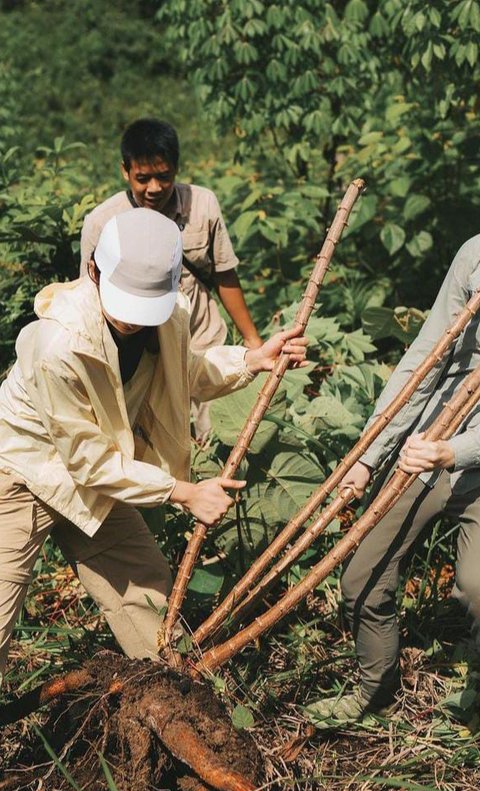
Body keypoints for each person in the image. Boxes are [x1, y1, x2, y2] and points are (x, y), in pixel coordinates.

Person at [0, 207, 308, 682]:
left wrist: (251, 360)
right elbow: (86, 460)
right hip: (23, 471)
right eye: (124, 306)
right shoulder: (57, 345)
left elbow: (185, 374)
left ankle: (173, 698)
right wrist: (184, 492)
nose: (132, 321)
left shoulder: (167, 317)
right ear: (93, 270)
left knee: (149, 598)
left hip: (102, 472)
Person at [307, 234, 480, 726]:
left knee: (476, 585)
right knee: (361, 577)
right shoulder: (474, 254)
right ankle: (373, 694)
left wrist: (456, 451)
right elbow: (424, 360)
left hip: (470, 460)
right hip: (427, 444)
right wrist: (370, 455)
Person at [80, 117, 262, 440]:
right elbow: (92, 301)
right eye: (143, 178)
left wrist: (252, 341)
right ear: (125, 171)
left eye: (163, 177)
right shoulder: (102, 223)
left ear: (176, 169)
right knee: (160, 444)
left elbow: (224, 274)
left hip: (202, 339)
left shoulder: (202, 205)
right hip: (145, 355)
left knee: (221, 436)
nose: (154, 188)